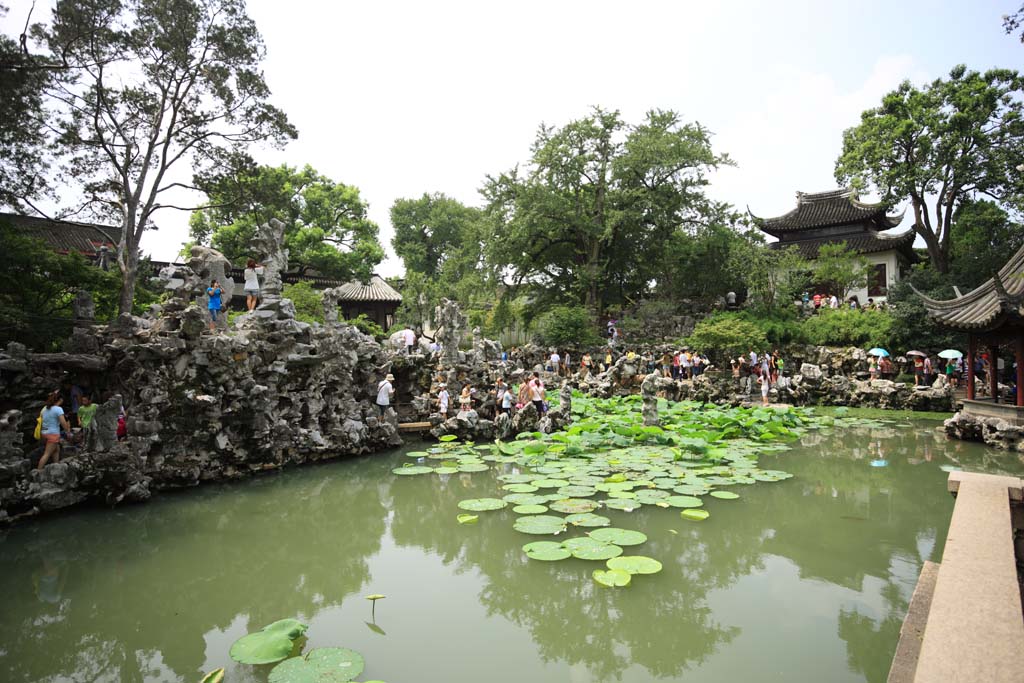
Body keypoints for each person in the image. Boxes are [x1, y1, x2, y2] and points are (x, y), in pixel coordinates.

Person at [38, 391, 71, 470]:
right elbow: (63, 422)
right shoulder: (58, 409)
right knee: (47, 454)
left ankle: (56, 466)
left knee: (56, 450)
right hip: (52, 434)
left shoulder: (45, 408)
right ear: (60, 399)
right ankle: (37, 472)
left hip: (44, 433)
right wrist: (68, 430)